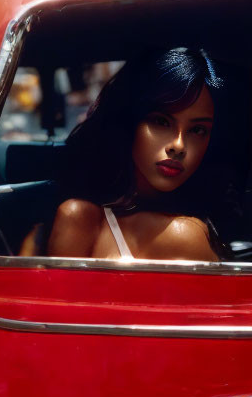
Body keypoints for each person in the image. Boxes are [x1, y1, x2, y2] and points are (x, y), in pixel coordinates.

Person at [47, 46, 244, 261]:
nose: (178, 145)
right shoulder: (80, 217)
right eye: (161, 121)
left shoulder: (193, 227)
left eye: (197, 130)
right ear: (128, 120)